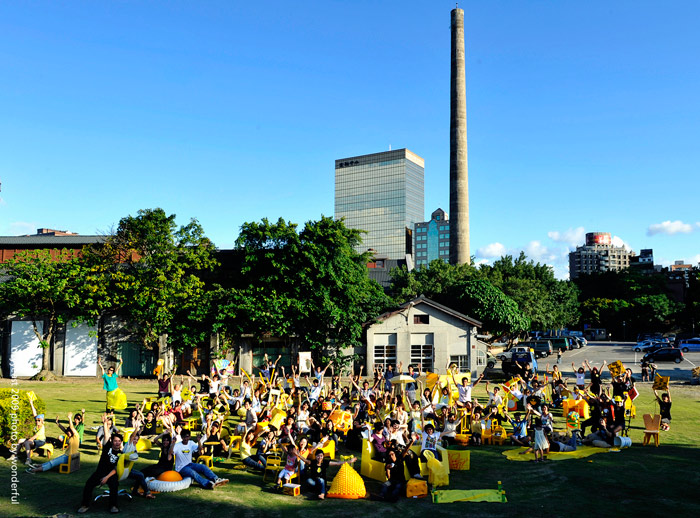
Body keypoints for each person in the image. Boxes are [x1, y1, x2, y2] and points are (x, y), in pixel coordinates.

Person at [77, 431, 123, 514]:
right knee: (89, 484)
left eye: (119, 441)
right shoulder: (107, 448)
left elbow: (116, 469)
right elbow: (106, 435)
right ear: (112, 441)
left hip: (111, 474)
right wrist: (105, 424)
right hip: (100, 472)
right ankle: (85, 505)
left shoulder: (121, 454)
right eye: (115, 441)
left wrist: (106, 477)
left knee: (114, 485)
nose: (117, 443)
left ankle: (113, 506)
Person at [13, 397, 46, 465]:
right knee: (20, 440)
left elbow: (34, 437)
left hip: (40, 441)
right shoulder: (37, 423)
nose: (37, 421)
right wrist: (31, 403)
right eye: (36, 420)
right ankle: (14, 456)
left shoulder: (42, 428)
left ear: (42, 421)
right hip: (35, 440)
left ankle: (29, 459)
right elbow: (34, 413)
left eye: (39, 420)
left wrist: (26, 442)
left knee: (27, 443)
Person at [381, 438, 414, 502]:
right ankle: (382, 496)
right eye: (389, 455)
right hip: (392, 481)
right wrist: (388, 469)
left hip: (400, 481)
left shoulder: (400, 459)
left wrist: (411, 442)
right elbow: (389, 477)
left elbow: (406, 450)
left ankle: (393, 497)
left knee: (397, 487)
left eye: (392, 454)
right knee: (384, 485)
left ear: (395, 454)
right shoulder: (388, 462)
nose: (391, 456)